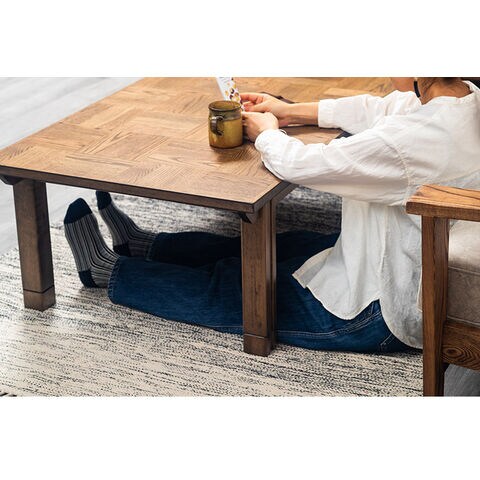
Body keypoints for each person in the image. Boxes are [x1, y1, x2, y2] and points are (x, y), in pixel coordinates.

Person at [63, 77, 480, 352]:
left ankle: (109, 271)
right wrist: (287, 110)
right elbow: (383, 108)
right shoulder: (463, 99)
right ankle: (144, 245)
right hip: (406, 255)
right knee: (281, 245)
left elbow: (307, 165)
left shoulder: (413, 138)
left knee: (237, 288)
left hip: (378, 309)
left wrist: (268, 134)